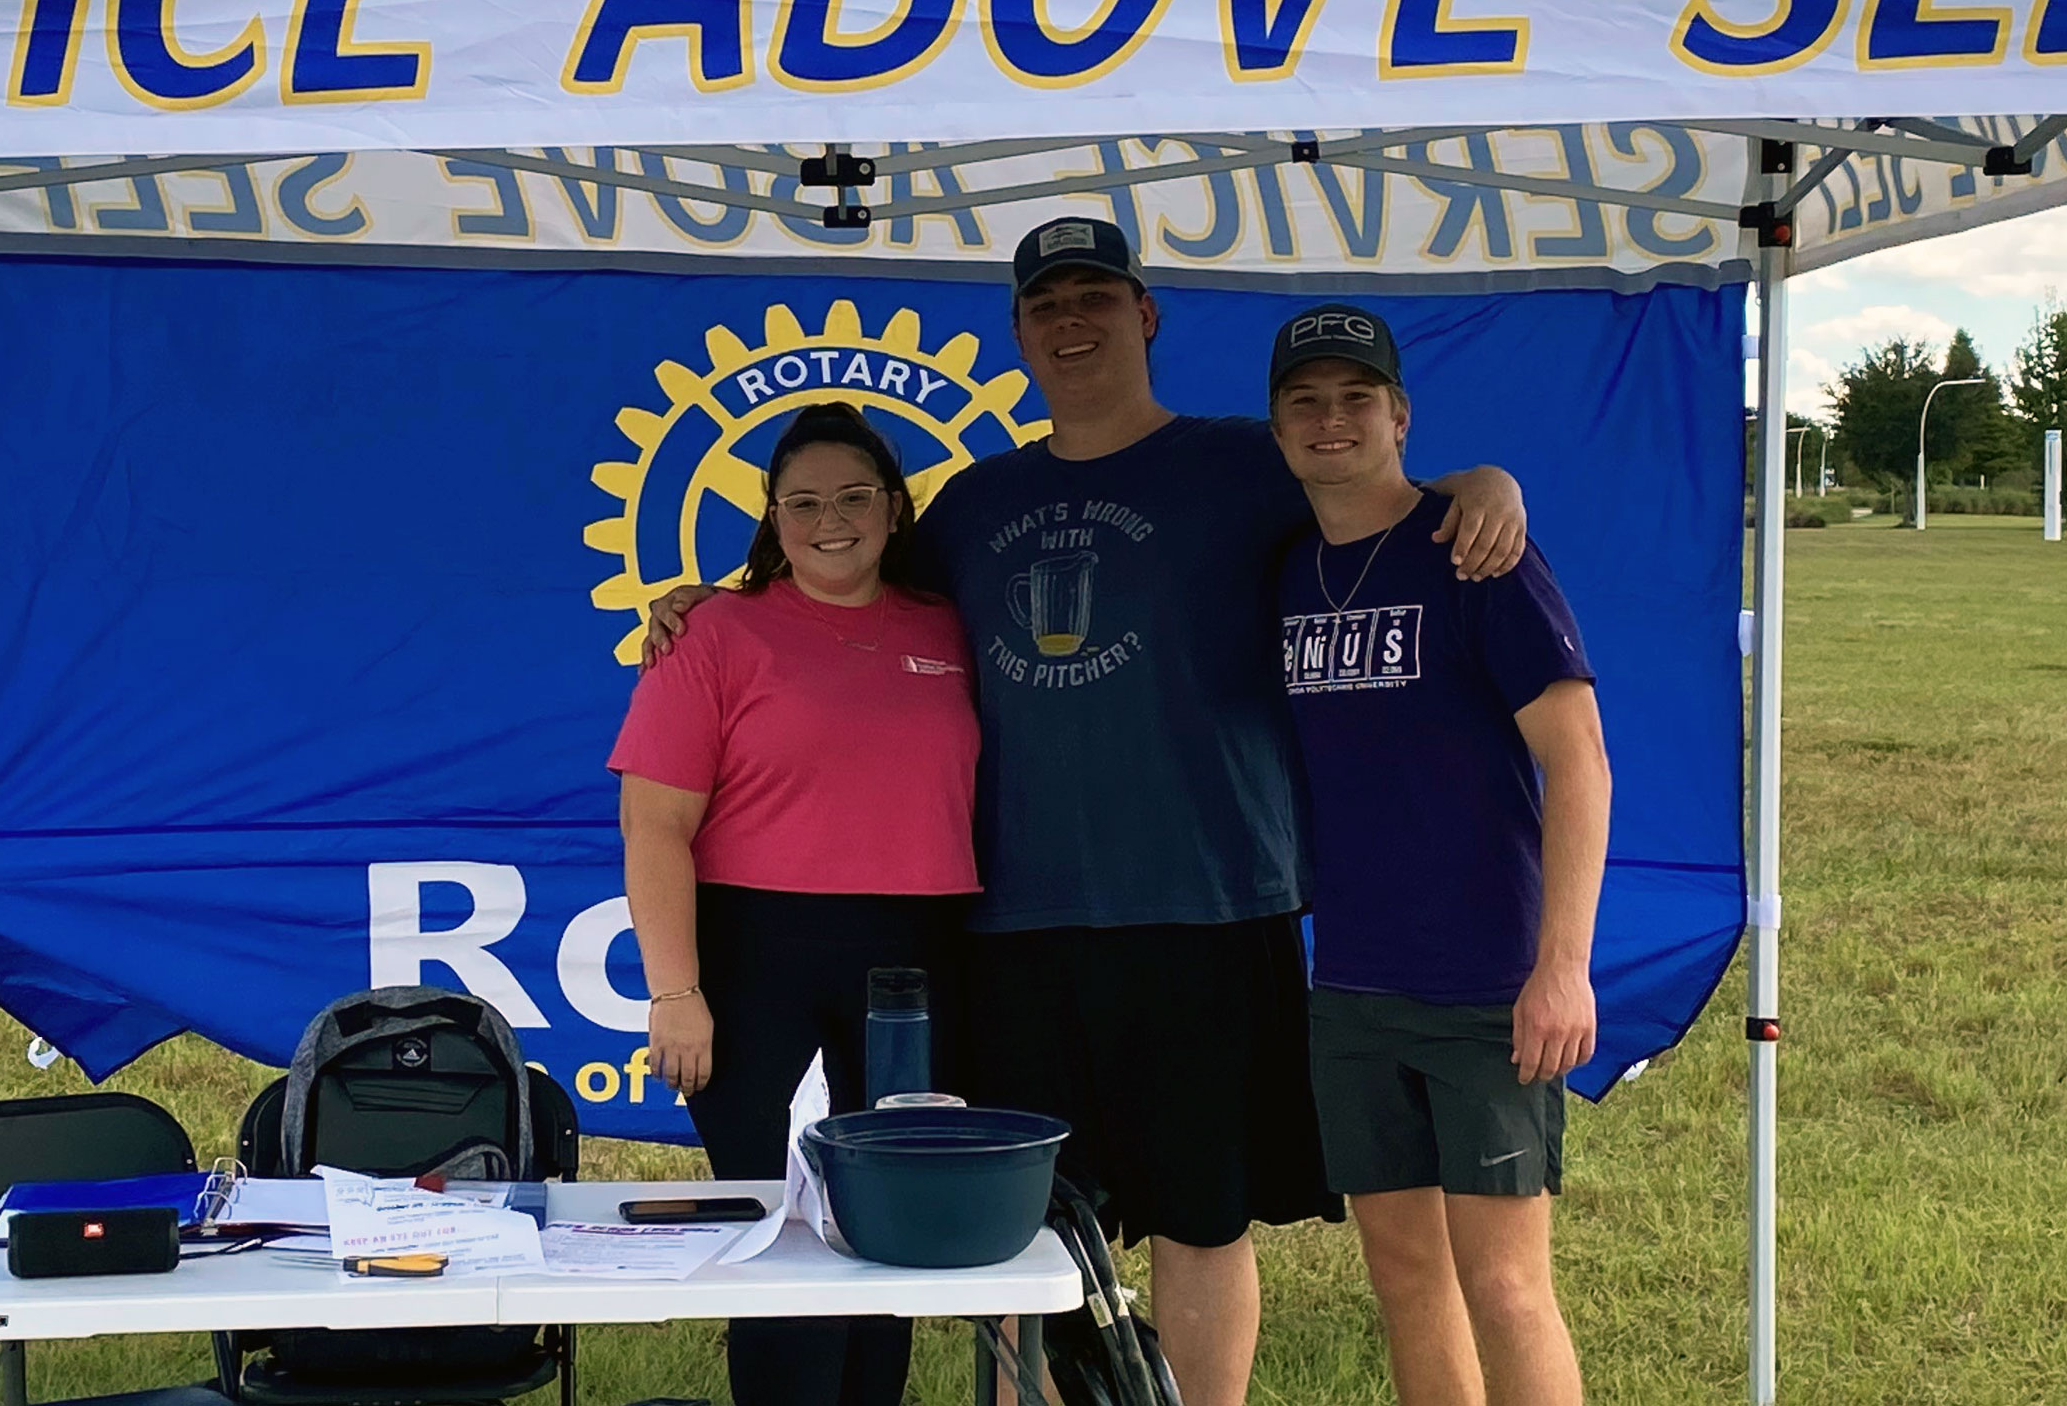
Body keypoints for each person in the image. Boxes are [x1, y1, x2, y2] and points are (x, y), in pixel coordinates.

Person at [649, 218, 1527, 1406]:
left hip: (1211, 901)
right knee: (1020, 1221)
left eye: (1095, 299)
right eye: (1046, 303)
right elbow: (841, 598)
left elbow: (1375, 490)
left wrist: (1486, 481)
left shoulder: (1242, 462)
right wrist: (708, 601)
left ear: (1146, 313)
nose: (1071, 322)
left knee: (1202, 1216)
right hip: (1013, 920)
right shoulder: (972, 502)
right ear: (1016, 331)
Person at [1266, 302, 1609, 1406]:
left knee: (1505, 1283)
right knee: (1404, 1274)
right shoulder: (1282, 572)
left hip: (1484, 985)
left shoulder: (1478, 554)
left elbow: (1581, 762)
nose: (1331, 422)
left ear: (1399, 415)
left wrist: (1560, 966)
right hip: (1352, 981)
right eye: (1306, 403)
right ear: (1276, 430)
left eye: (1355, 399)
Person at [609, 402, 980, 1406]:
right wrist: (674, 992)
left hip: (920, 964)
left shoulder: (953, 624)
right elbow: (653, 827)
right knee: (779, 1253)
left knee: (883, 1244)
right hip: (753, 963)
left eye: (854, 496)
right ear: (771, 518)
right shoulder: (714, 633)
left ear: (895, 509)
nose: (831, 520)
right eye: (802, 502)